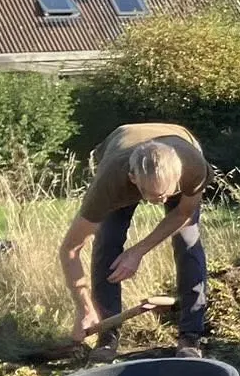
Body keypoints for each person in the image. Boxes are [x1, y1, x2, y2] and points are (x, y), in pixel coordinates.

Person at [59, 123, 213, 355]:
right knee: (107, 243)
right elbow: (70, 248)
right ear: (133, 179)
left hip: (181, 141)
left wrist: (138, 251)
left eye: (166, 194)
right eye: (152, 195)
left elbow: (183, 213)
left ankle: (190, 336)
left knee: (187, 240)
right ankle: (107, 336)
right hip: (120, 147)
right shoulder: (109, 183)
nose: (161, 201)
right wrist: (84, 308)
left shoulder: (192, 167)